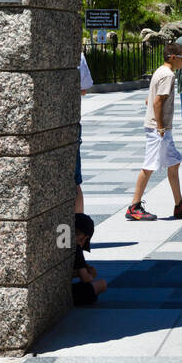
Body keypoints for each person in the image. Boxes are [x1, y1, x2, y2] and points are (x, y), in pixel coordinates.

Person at [126, 42, 182, 222]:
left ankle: (179, 205)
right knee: (149, 166)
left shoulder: (160, 71)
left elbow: (150, 99)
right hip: (158, 129)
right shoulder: (168, 75)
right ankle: (134, 206)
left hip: (160, 128)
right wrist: (160, 126)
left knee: (174, 163)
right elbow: (157, 102)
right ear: (173, 57)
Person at [72, 212, 107, 305]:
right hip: (67, 294)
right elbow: (86, 279)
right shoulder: (76, 248)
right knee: (102, 284)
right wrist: (91, 274)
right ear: (85, 238)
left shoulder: (61, 241)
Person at [75, 50, 93, 213]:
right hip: (71, 123)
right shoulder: (76, 54)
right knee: (74, 181)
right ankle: (78, 229)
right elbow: (84, 89)